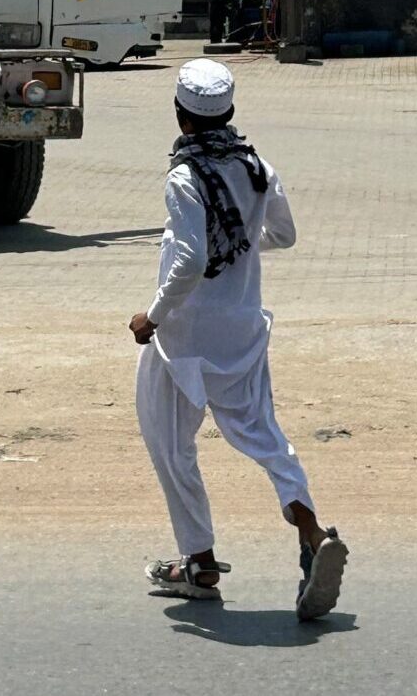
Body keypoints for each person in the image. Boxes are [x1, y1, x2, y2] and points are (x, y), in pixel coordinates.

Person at [130, 58, 346, 620]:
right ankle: (311, 533)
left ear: (181, 117)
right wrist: (242, 245)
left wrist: (151, 317)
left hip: (184, 340)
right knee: (266, 438)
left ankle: (199, 564)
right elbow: (284, 235)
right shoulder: (256, 167)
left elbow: (190, 259)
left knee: (170, 444)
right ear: (228, 112)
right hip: (244, 331)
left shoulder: (183, 178)